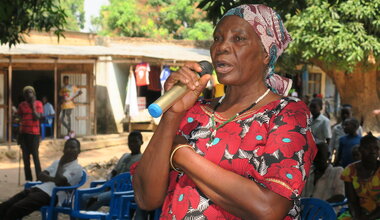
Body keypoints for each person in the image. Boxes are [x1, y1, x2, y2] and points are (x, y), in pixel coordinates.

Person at [133, 4, 317, 219]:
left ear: (266, 54)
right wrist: (172, 115)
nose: (222, 47)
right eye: (218, 38)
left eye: (238, 39)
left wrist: (182, 155)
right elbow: (146, 198)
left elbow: (269, 209)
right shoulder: (194, 112)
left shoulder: (287, 115)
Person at [0, 138, 82, 220]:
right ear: (63, 150)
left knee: (16, 208)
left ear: (79, 151)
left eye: (72, 147)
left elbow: (59, 181)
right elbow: (41, 175)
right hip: (37, 189)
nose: (69, 150)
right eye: (67, 147)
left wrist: (61, 164)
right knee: (6, 205)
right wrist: (54, 179)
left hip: (51, 196)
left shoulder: (77, 169)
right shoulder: (56, 162)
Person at [82, 131, 144, 211]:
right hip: (111, 187)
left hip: (123, 191)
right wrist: (110, 177)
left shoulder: (143, 159)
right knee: (83, 197)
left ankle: (83, 215)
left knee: (96, 199)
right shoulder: (124, 156)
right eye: (130, 142)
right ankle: (82, 215)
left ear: (141, 142)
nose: (132, 144)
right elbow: (114, 171)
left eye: (135, 142)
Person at [340, 132, 380, 220]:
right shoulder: (350, 171)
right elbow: (352, 201)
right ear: (360, 150)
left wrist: (368, 218)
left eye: (376, 148)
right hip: (360, 213)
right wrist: (357, 217)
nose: (373, 151)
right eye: (368, 148)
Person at [17, 86, 44, 181]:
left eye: (31, 92)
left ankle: (39, 178)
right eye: (27, 93)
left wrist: (33, 106)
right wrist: (19, 136)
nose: (29, 94)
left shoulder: (38, 103)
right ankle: (28, 180)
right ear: (24, 95)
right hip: (24, 135)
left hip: (34, 135)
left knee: (35, 157)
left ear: (34, 94)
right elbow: (20, 119)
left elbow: (37, 117)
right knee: (25, 158)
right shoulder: (21, 105)